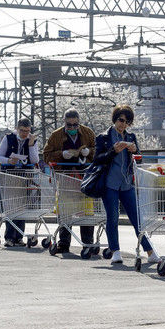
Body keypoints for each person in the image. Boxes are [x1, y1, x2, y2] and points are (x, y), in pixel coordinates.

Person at [94, 104, 160, 265]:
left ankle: (150, 252)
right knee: (113, 217)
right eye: (120, 120)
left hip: (126, 183)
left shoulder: (130, 137)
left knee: (137, 218)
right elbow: (96, 159)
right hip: (109, 183)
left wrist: (135, 152)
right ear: (115, 119)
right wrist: (112, 151)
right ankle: (115, 251)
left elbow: (139, 160)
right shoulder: (103, 137)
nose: (123, 124)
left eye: (127, 121)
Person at [42, 108, 96, 253]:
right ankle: (63, 243)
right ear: (64, 123)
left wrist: (88, 152)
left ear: (79, 123)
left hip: (84, 177)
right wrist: (61, 155)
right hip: (65, 178)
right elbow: (46, 155)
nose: (72, 128)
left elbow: (98, 151)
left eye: (75, 125)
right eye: (69, 125)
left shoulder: (88, 133)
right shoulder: (56, 135)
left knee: (86, 210)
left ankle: (88, 243)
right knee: (65, 211)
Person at [0, 118, 40, 247]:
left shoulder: (32, 140)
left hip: (25, 175)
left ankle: (19, 236)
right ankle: (9, 237)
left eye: (27, 131)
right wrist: (9, 161)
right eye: (22, 131)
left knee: (21, 206)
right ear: (17, 129)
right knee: (11, 206)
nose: (24, 134)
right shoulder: (8, 138)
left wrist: (31, 145)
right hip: (10, 175)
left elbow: (35, 159)